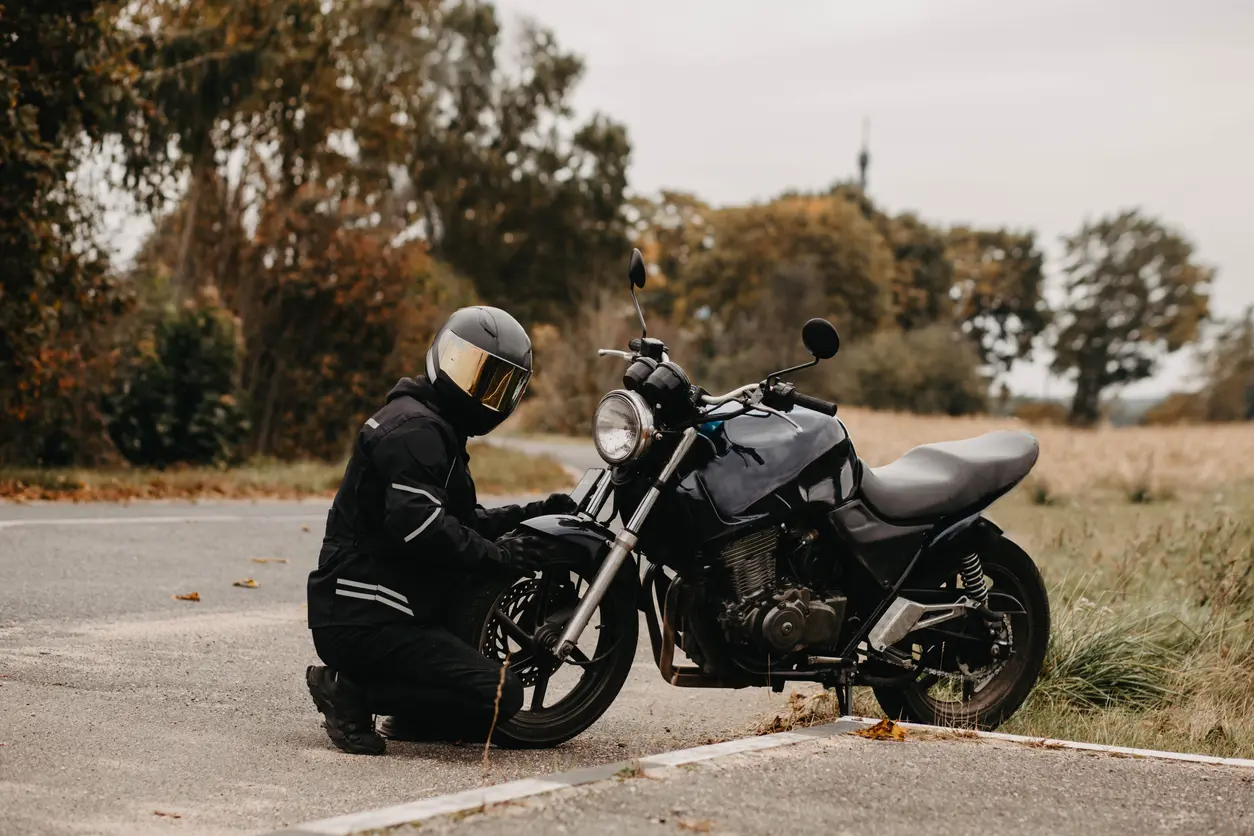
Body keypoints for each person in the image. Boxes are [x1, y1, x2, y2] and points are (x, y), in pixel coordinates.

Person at [305, 306, 576, 755]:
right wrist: (503, 556)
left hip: (370, 606)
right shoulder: (416, 431)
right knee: (501, 697)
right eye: (469, 369)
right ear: (441, 353)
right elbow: (423, 528)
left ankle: (418, 712)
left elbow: (460, 522)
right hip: (366, 615)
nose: (478, 389)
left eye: (494, 382)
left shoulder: (430, 424)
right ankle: (348, 691)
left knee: (474, 693)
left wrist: (530, 512)